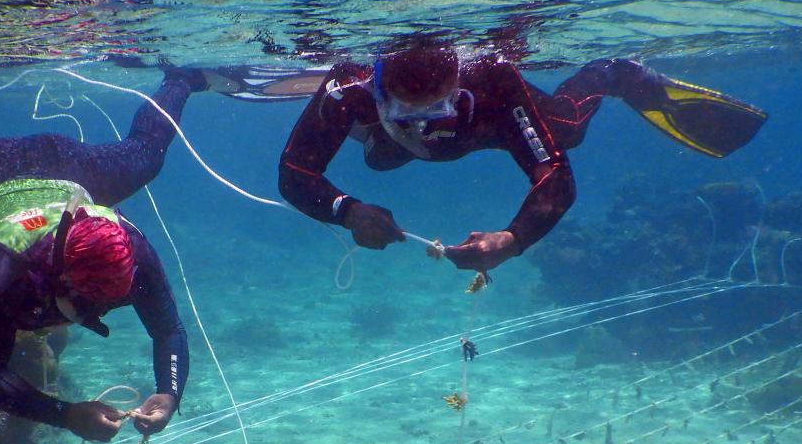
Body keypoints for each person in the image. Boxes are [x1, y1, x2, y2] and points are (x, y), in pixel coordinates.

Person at [0, 67, 210, 443]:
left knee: (148, 157)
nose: (101, 310)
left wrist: (169, 392)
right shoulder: (3, 273)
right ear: (60, 275)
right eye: (94, 301)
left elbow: (168, 329)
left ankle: (182, 78)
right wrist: (64, 415)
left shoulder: (134, 250)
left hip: (67, 167)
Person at [277, 43, 766, 272]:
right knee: (379, 160)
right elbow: (295, 172)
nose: (420, 122)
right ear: (377, 91)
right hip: (386, 136)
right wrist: (347, 210)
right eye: (405, 111)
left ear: (457, 85)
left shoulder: (491, 77)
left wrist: (513, 239)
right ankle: (389, 132)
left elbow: (555, 175)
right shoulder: (348, 88)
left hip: (480, 124)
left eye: (434, 109)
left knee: (567, 132)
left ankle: (610, 73)